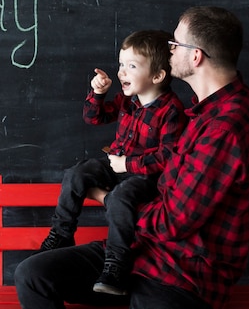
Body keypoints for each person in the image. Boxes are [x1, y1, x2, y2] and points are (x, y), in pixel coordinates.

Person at [15, 6, 249, 309]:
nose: (169, 50)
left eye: (175, 44)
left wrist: (108, 200)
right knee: (33, 275)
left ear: (196, 56)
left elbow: (174, 222)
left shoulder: (225, 127)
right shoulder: (204, 111)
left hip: (181, 275)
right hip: (139, 251)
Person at [38, 29, 187, 295]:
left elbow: (169, 157)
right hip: (116, 166)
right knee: (77, 173)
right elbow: (94, 117)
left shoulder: (171, 110)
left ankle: (115, 265)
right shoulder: (127, 101)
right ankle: (62, 233)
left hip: (145, 177)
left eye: (131, 66)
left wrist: (128, 164)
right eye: (121, 64)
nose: (122, 73)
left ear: (157, 76)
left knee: (120, 198)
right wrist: (98, 94)